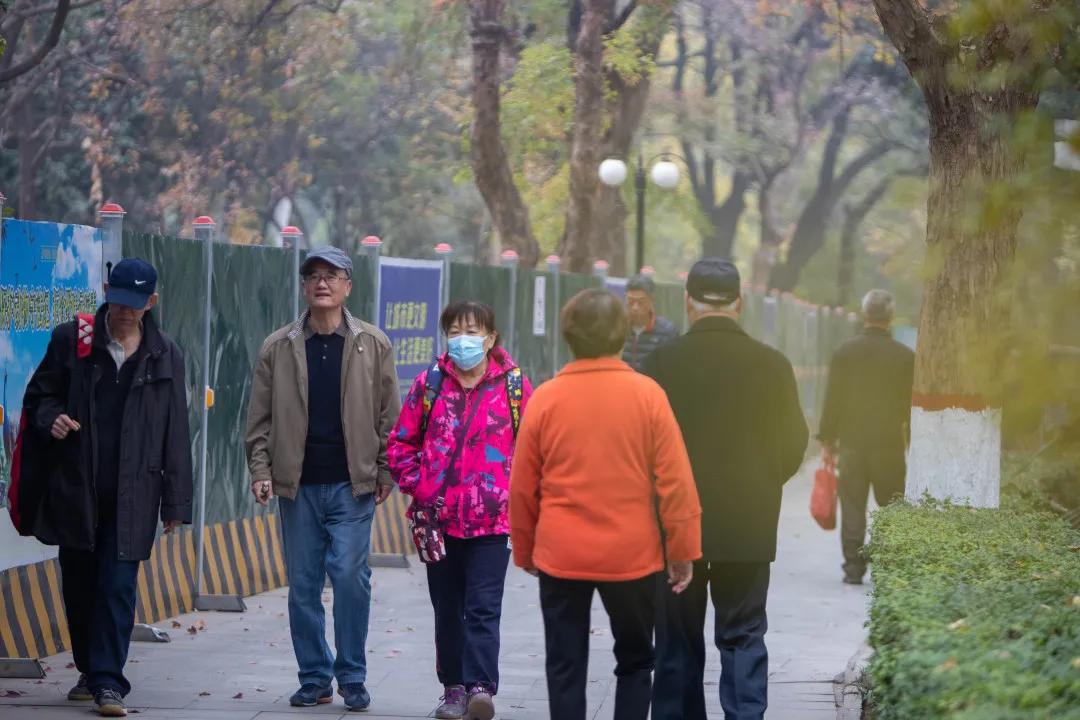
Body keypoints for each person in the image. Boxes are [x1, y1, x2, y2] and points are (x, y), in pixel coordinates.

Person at [510, 288, 703, 720]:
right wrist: (683, 550)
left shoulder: (546, 398)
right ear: (622, 336)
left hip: (561, 554)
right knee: (636, 661)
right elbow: (675, 482)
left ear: (568, 336)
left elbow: (523, 486)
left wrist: (525, 550)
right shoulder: (648, 395)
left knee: (564, 663)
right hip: (631, 555)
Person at [20, 258, 192, 718]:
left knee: (117, 585)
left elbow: (176, 430)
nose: (123, 313)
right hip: (78, 487)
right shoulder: (70, 342)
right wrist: (49, 418)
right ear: (105, 291)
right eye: (117, 301)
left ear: (151, 303)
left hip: (135, 491)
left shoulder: (165, 354)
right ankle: (89, 669)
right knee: (79, 584)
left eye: (135, 305)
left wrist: (176, 502)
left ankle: (109, 683)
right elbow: (39, 397)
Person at [646, 258, 808, 720]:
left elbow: (642, 446)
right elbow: (795, 442)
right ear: (739, 303)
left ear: (687, 302)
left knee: (676, 638)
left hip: (678, 526)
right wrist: (759, 482)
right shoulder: (772, 365)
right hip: (748, 524)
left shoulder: (661, 363)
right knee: (743, 632)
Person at [244, 246, 400, 712]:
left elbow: (391, 415)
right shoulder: (280, 346)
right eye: (313, 275)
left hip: (354, 484)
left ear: (348, 285)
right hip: (299, 485)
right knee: (304, 584)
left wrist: (387, 468)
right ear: (304, 286)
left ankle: (352, 675)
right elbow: (259, 421)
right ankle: (315, 676)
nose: (322, 283)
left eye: (332, 275)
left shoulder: (373, 343)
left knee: (351, 575)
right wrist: (261, 471)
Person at [388, 300, 533, 720]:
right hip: (437, 521)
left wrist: (518, 495)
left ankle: (481, 689)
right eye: (454, 330)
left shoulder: (515, 386)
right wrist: (422, 485)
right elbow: (400, 444)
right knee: (447, 607)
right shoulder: (429, 384)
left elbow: (534, 446)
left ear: (490, 338)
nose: (463, 339)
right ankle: (453, 689)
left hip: (493, 521)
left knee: (484, 606)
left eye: (472, 331)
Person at [818, 289, 914, 585]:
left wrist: (827, 439)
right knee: (891, 506)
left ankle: (853, 568)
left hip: (852, 443)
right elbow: (909, 405)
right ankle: (886, 565)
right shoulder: (905, 357)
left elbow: (832, 399)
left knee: (853, 505)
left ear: (865, 315)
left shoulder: (844, 353)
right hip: (889, 445)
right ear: (891, 318)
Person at [622, 274, 678, 372]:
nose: (635, 307)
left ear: (652, 300)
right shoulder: (617, 328)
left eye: (641, 302)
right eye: (630, 301)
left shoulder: (667, 332)